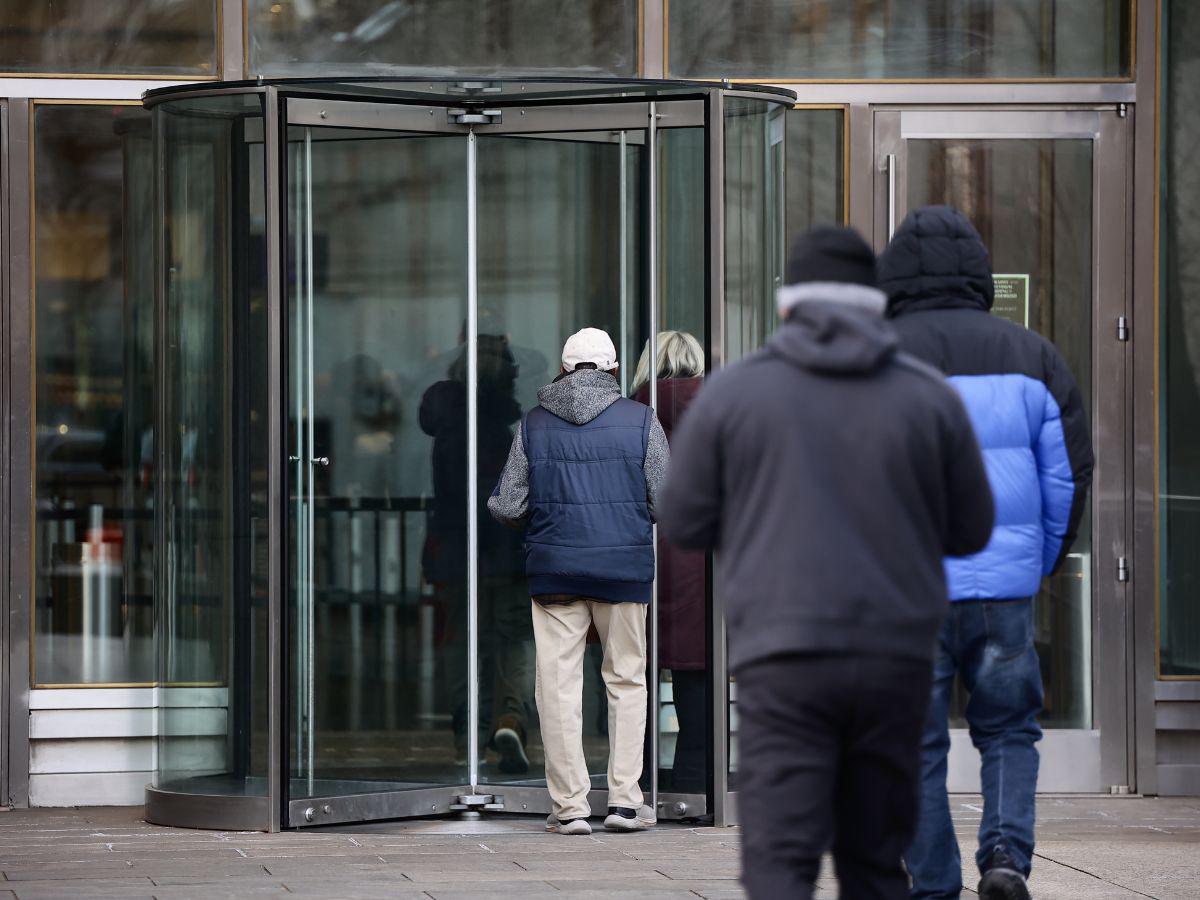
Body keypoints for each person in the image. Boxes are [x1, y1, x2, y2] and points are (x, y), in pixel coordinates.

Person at [658, 226, 995, 900]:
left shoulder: (735, 396)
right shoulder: (928, 397)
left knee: (780, 862)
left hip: (781, 660)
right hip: (894, 659)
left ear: (789, 304)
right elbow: (971, 529)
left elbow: (684, 518)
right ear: (874, 303)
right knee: (875, 863)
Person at [879, 206, 1094, 900]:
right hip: (1002, 585)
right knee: (1009, 729)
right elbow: (1069, 473)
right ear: (978, 270)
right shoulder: (1033, 355)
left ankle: (934, 883)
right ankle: (1004, 855)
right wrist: (1043, 561)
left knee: (913, 742)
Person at [488, 327, 670, 835]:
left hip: (555, 571)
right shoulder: (641, 421)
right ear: (612, 368)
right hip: (624, 569)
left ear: (565, 368)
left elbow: (507, 505)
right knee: (627, 680)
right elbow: (668, 500)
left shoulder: (533, 424)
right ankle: (626, 803)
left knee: (558, 688)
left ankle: (570, 807)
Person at [420, 333, 534, 774]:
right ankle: (509, 719)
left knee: (463, 640)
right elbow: (504, 498)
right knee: (513, 640)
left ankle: (467, 727)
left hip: (453, 551)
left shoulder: (447, 426)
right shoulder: (500, 432)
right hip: (504, 550)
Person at [631, 330, 709, 794]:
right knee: (697, 681)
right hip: (704, 560)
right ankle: (695, 783)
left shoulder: (632, 414)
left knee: (630, 679)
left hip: (643, 553)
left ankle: (634, 783)